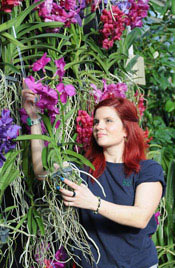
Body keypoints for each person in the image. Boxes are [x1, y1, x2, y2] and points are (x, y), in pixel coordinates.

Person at [22, 87, 166, 268]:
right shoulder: (83, 169)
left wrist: (93, 203)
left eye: (108, 121)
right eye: (96, 121)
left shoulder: (147, 169)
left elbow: (140, 217)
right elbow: (41, 171)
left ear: (126, 130)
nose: (99, 126)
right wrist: (34, 118)